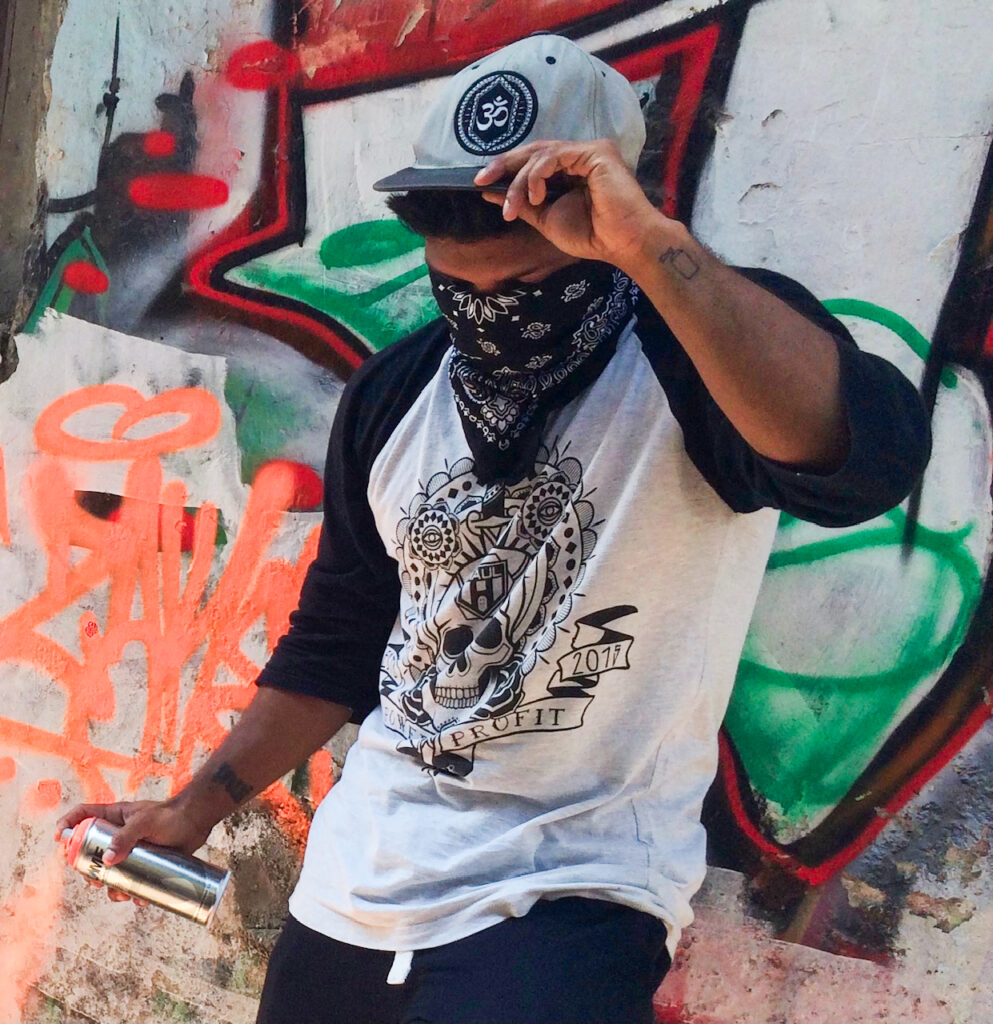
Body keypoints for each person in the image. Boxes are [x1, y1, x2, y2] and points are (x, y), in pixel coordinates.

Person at [56, 34, 930, 1024]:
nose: (486, 312)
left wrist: (651, 248)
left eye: (522, 287)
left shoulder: (693, 359)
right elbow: (338, 640)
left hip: (570, 896)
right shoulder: (396, 394)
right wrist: (195, 806)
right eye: (457, 284)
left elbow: (861, 461)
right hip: (355, 886)